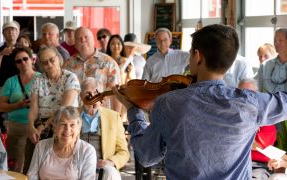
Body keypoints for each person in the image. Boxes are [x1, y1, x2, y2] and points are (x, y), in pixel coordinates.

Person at [113, 24, 287, 179]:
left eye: (190, 53)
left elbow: (146, 155)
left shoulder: (168, 103)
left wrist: (133, 108)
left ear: (198, 56)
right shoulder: (250, 102)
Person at [23, 46, 80, 174]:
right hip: (41, 125)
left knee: (59, 169)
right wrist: (31, 126)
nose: (49, 64)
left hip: (65, 125)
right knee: (30, 166)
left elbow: (63, 109)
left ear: (58, 58)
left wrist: (44, 126)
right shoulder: (38, 80)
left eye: (51, 60)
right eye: (44, 62)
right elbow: (33, 109)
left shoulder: (70, 78)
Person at [0, 47, 40, 173]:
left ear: (32, 59)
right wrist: (18, 105)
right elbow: (0, 106)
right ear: (16, 65)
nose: (23, 63)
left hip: (37, 127)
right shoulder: (11, 81)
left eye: (25, 59)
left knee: (34, 166)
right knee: (16, 167)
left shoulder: (41, 78)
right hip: (16, 128)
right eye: (18, 61)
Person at [79, 77, 130, 180]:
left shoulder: (113, 117)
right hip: (78, 165)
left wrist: (110, 162)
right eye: (87, 93)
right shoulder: (72, 114)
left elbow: (124, 152)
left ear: (102, 96)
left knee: (111, 173)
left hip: (103, 167)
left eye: (96, 92)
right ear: (81, 96)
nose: (92, 96)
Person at [27, 106, 96, 179]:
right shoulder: (41, 146)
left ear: (79, 128)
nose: (67, 130)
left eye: (72, 125)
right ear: (54, 127)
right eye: (63, 124)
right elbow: (32, 175)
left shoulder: (87, 151)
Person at [63, 27, 121, 112]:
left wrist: (117, 118)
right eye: (79, 38)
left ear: (93, 40)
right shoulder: (67, 65)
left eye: (86, 37)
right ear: (75, 44)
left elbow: (116, 94)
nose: (83, 40)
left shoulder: (109, 63)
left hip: (101, 116)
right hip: (75, 118)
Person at [238, 78, 277, 180]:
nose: (246, 97)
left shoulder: (265, 118)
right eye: (242, 93)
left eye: (251, 93)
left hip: (258, 165)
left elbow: (261, 146)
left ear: (257, 95)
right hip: (236, 163)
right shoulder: (232, 115)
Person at [257, 28, 287, 152]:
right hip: (268, 121)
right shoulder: (265, 65)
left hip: (285, 122)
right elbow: (258, 93)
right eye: (275, 40)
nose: (276, 43)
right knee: (269, 157)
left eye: (280, 40)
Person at [0, 21, 20, 87]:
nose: (10, 32)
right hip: (2, 87)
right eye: (7, 30)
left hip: (20, 88)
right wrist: (1, 55)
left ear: (18, 33)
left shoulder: (23, 50)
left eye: (13, 29)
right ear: (3, 33)